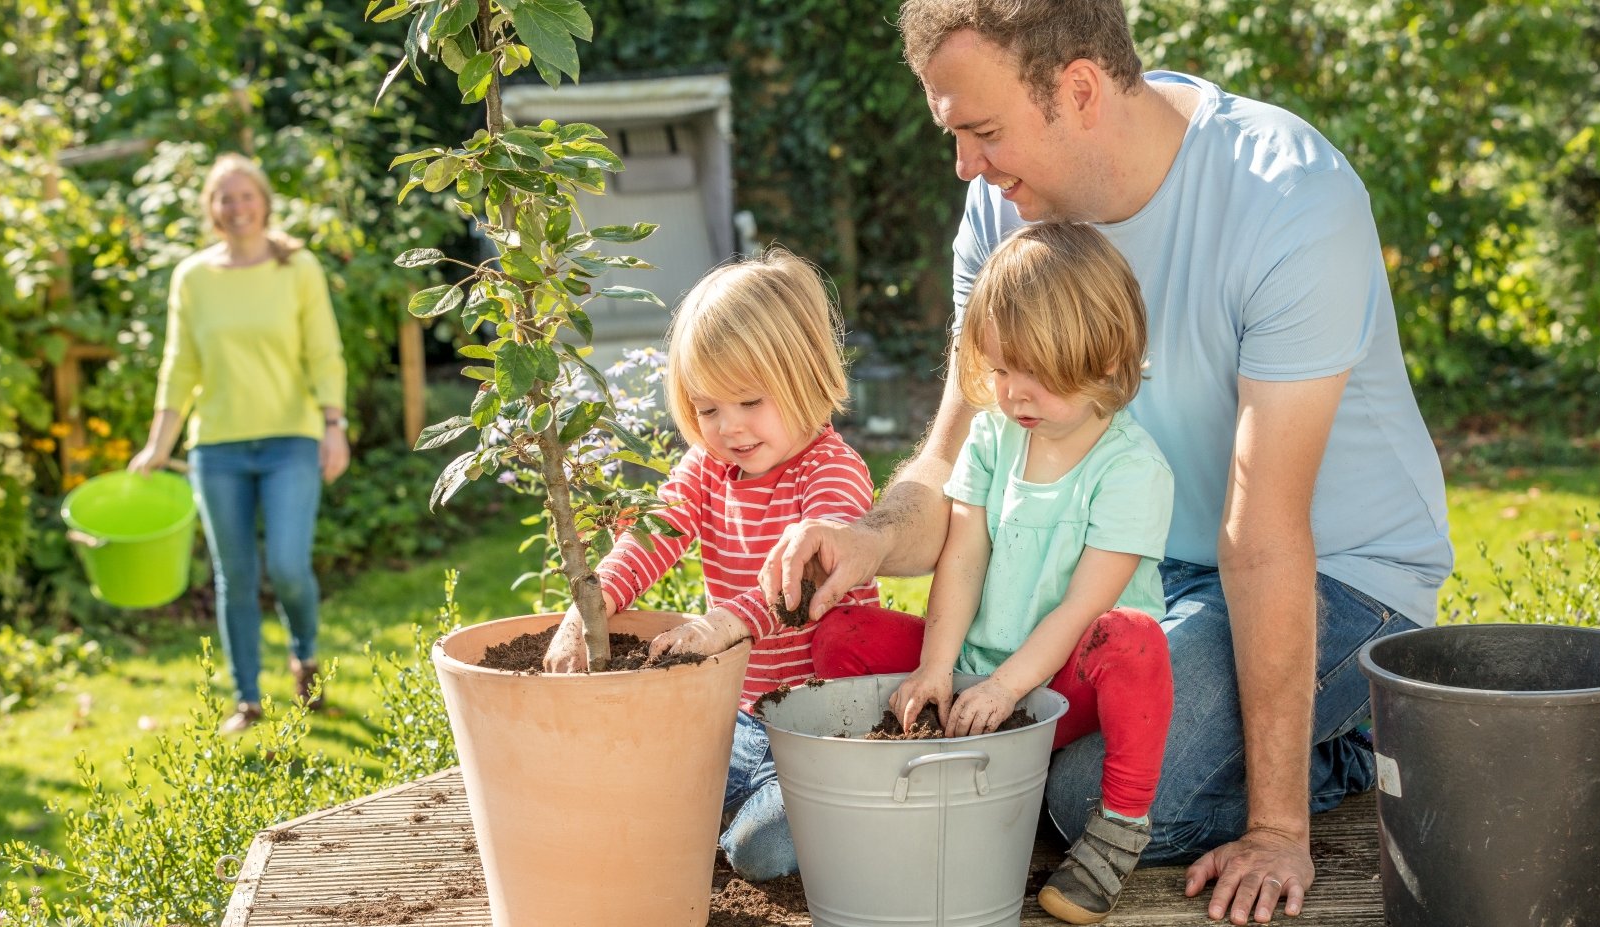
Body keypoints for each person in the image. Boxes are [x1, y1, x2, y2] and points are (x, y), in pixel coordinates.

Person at [762, 2, 1454, 924]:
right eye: (954, 135)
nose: (965, 166)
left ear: (1078, 89)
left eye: (982, 131)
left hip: (1335, 572)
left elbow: (1262, 527)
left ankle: (1349, 738)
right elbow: (952, 458)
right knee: (1015, 739)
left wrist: (1277, 826)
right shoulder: (1001, 210)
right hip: (1124, 569)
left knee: (1089, 799)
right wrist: (865, 536)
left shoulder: (1287, 197)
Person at [810, 222, 1175, 922]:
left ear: (1103, 360)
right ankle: (891, 786)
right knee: (844, 631)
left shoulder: (1131, 469)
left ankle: (1119, 826)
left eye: (1033, 373)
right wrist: (937, 667)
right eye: (1001, 370)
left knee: (1132, 637)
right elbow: (963, 555)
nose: (1012, 393)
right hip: (977, 671)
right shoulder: (993, 435)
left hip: (1063, 686)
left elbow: (1079, 610)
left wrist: (1009, 686)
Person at [541, 249, 902, 881]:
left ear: (807, 377)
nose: (729, 428)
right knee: (639, 789)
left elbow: (808, 574)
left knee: (762, 848)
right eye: (708, 409)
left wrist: (725, 622)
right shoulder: (709, 468)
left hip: (830, 726)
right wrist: (587, 606)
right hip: (742, 722)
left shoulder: (832, 472)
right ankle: (747, 822)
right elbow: (654, 537)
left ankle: (800, 823)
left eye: (749, 401)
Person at [129, 153, 350, 734]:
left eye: (246, 195)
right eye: (225, 198)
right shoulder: (193, 277)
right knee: (235, 575)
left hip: (291, 439)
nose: (237, 207)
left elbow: (323, 350)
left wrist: (335, 425)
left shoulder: (296, 267)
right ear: (212, 209)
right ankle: (246, 698)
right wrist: (158, 445)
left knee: (288, 565)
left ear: (264, 201)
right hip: (217, 447)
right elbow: (179, 366)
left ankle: (305, 655)